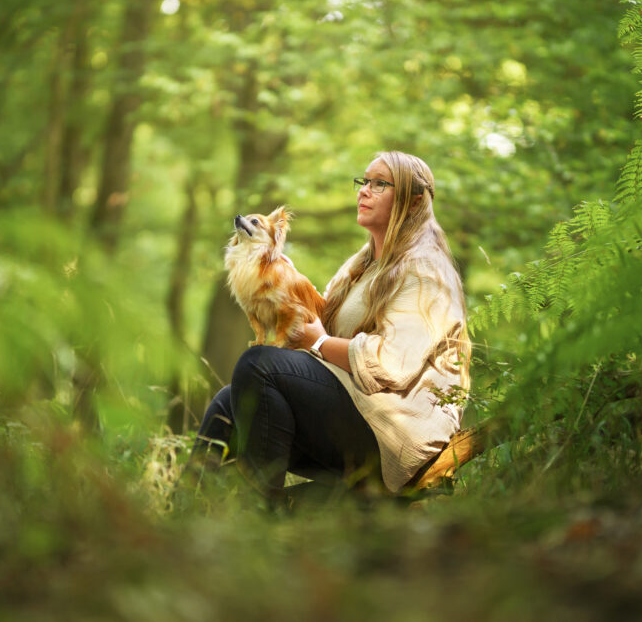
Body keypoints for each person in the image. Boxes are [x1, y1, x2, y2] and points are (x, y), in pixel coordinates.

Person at [190, 150, 471, 499]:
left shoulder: (426, 271)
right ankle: (187, 504)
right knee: (230, 399)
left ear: (413, 203)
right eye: (364, 181)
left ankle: (256, 512)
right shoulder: (362, 265)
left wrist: (319, 343)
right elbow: (321, 320)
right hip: (358, 407)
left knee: (258, 365)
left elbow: (391, 364)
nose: (364, 190)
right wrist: (285, 282)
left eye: (380, 184)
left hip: (395, 434)